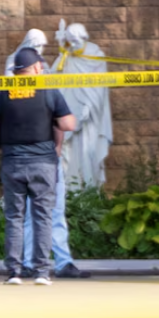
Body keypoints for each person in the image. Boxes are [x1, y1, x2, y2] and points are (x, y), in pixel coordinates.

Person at [0, 47, 77, 286]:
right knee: (42, 216)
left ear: (17, 70)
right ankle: (42, 272)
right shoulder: (47, 90)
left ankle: (14, 272)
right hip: (43, 163)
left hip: (13, 163)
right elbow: (68, 123)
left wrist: (1, 120)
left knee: (14, 217)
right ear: (36, 68)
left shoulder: (2, 91)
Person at [8, 29, 91, 279]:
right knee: (29, 214)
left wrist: (56, 148)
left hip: (45, 159)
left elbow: (60, 122)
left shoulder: (49, 89)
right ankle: (28, 263)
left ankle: (62, 261)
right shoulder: (12, 89)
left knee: (53, 212)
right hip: (26, 159)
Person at [52, 20, 113, 190]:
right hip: (69, 114)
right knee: (68, 153)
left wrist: (89, 106)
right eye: (69, 40)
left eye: (74, 40)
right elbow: (53, 78)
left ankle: (89, 188)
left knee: (88, 153)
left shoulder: (95, 55)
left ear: (82, 38)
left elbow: (99, 88)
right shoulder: (67, 55)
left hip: (90, 117)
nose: (71, 44)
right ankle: (71, 190)